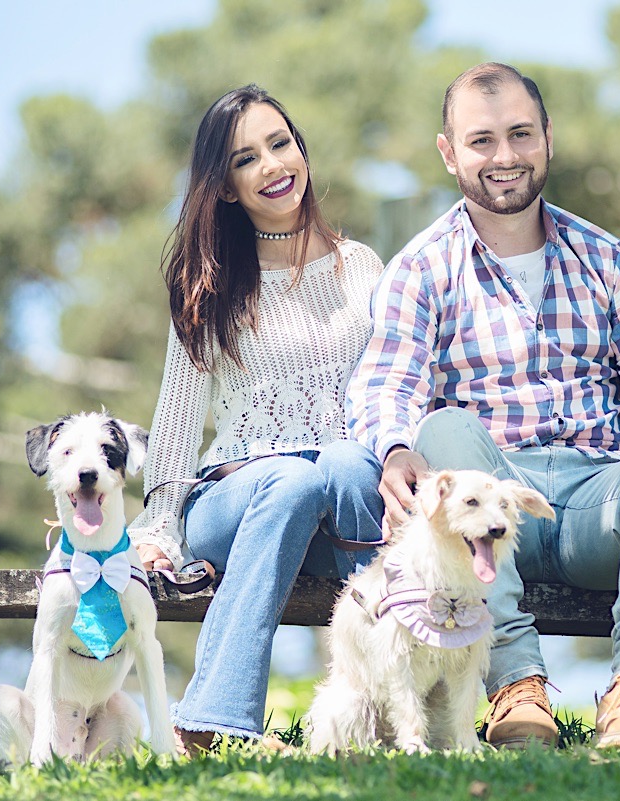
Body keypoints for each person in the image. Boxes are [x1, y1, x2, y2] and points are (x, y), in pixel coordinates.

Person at [346, 63, 620, 749]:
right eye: (482, 140)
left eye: (521, 134)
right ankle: (517, 690)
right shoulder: (423, 266)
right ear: (449, 152)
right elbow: (386, 380)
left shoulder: (610, 262)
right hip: (486, 505)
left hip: (592, 506)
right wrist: (396, 445)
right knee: (443, 428)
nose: (504, 157)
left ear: (548, 138)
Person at [129, 85, 385, 754]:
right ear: (226, 186)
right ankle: (207, 719)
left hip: (340, 512)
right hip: (234, 500)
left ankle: (375, 707)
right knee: (290, 482)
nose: (274, 166)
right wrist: (159, 526)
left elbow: (395, 388)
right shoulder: (207, 284)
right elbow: (178, 422)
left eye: (281, 144)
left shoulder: (361, 269)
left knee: (351, 463)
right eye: (247, 158)